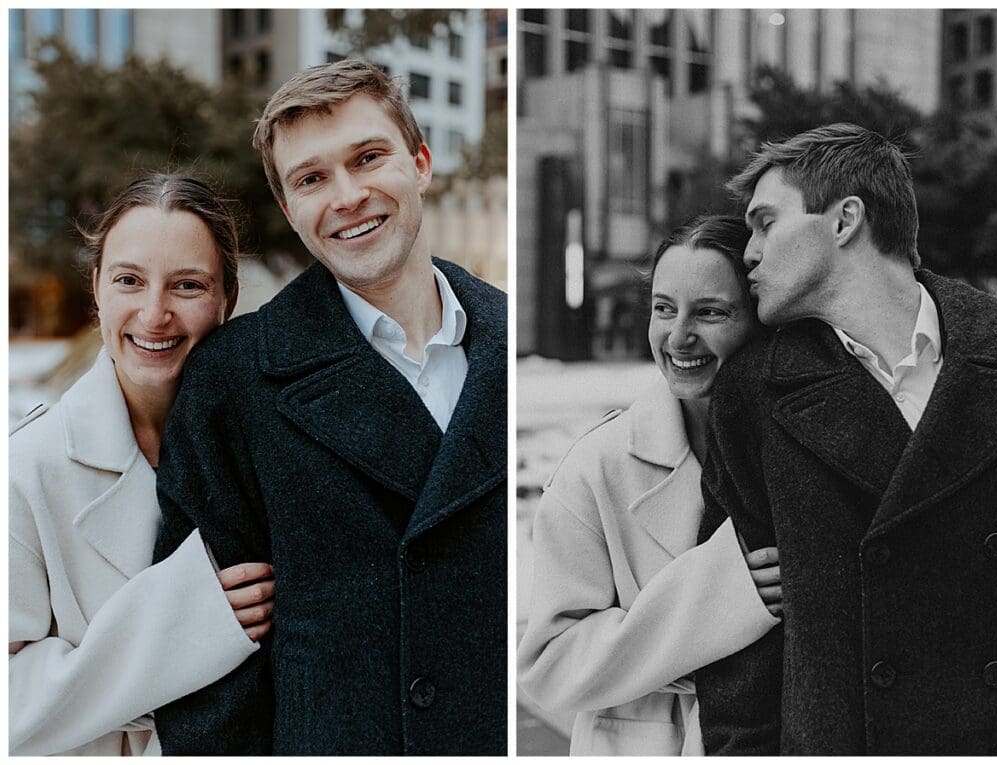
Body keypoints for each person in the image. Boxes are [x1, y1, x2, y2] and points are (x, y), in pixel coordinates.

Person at [151, 59, 507, 755]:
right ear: (289, 210)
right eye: (311, 179)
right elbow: (202, 670)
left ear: (421, 164)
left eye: (368, 157)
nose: (347, 196)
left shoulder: (508, 339)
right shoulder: (232, 381)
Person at [694, 123, 997, 755]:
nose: (748, 253)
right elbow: (739, 648)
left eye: (765, 223)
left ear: (844, 220)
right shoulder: (753, 391)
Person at [9, 174, 277, 756]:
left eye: (187, 286)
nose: (155, 315)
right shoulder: (26, 469)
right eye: (129, 280)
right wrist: (176, 628)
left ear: (228, 299)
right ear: (97, 288)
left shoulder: (271, 449)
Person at [518, 216, 782, 756]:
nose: (678, 336)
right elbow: (548, 665)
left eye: (710, 312)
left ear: (760, 320)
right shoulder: (597, 466)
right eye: (664, 309)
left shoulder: (803, 451)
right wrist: (717, 598)